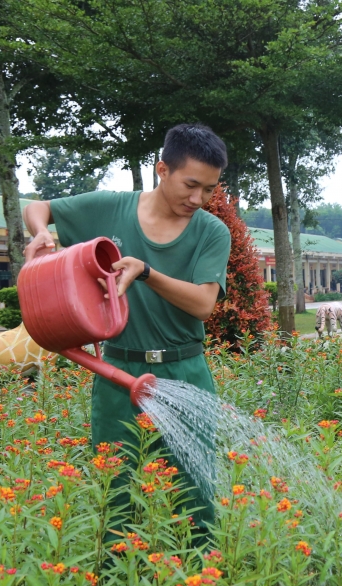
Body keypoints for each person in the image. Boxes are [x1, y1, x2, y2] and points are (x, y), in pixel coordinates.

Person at [22, 124, 231, 549]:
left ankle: (200, 580)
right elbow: (38, 206)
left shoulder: (211, 231)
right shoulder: (108, 208)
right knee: (114, 487)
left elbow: (203, 305)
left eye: (208, 190)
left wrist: (147, 272)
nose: (198, 199)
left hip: (183, 370)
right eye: (191, 185)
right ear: (162, 169)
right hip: (117, 370)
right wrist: (40, 232)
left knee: (195, 492)